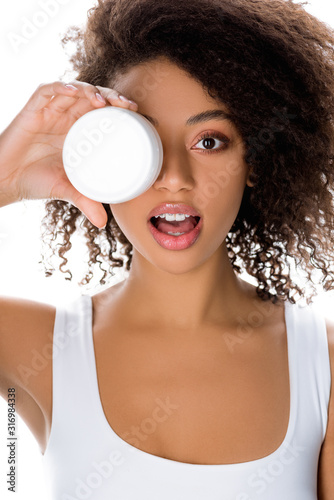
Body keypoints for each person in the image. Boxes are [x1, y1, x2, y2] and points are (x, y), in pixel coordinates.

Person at [0, 0, 334, 498]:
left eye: (210, 141)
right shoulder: (30, 344)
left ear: (258, 160)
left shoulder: (321, 365)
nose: (174, 178)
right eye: (146, 140)